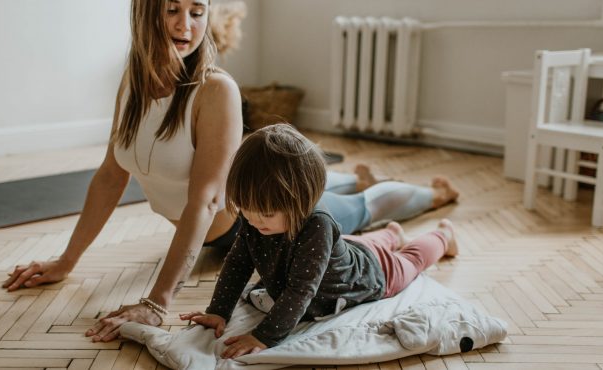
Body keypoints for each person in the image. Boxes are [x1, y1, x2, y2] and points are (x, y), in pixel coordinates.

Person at [1, 0, 458, 343]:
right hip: (247, 210)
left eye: (197, 11)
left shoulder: (215, 90)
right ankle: (354, 178)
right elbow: (109, 176)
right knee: (343, 200)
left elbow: (204, 201)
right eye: (172, 10)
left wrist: (157, 302)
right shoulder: (133, 83)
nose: (186, 24)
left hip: (259, 223)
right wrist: (66, 262)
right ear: (144, 13)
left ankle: (431, 197)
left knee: (357, 210)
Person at [180, 124, 457, 358]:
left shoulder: (317, 225)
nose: (253, 221)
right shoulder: (256, 219)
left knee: (411, 259)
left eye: (265, 214)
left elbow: (301, 291)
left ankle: (443, 236)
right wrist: (218, 311)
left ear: (301, 201)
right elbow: (238, 263)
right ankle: (393, 233)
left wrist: (264, 336)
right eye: (246, 210)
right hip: (346, 249)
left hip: (371, 273)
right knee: (362, 244)